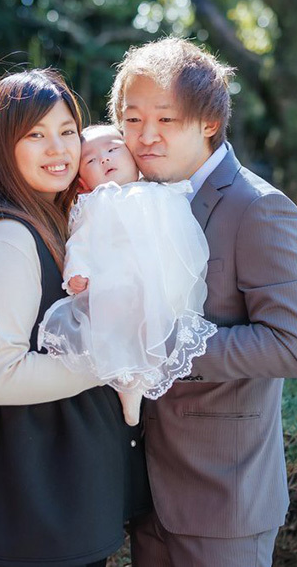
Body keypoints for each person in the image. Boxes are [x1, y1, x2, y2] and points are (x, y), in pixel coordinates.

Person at [0, 69, 150, 566]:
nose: (58, 148)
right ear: (2, 148)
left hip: (53, 483)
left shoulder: (58, 222)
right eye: (35, 135)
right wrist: (110, 357)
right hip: (24, 495)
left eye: (66, 132)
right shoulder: (11, 240)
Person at [109, 38, 297, 566]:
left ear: (208, 122)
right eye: (132, 120)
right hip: (143, 493)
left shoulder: (260, 210)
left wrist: (168, 345)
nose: (145, 136)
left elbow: (293, 347)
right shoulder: (128, 199)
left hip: (225, 498)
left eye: (166, 119)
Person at [38, 124, 217, 426]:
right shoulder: (96, 202)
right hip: (119, 283)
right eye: (91, 161)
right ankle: (130, 388)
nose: (105, 159)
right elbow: (79, 241)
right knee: (119, 332)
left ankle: (152, 379)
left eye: (112, 149)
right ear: (82, 181)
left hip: (161, 278)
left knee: (164, 321)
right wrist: (77, 271)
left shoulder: (160, 189)